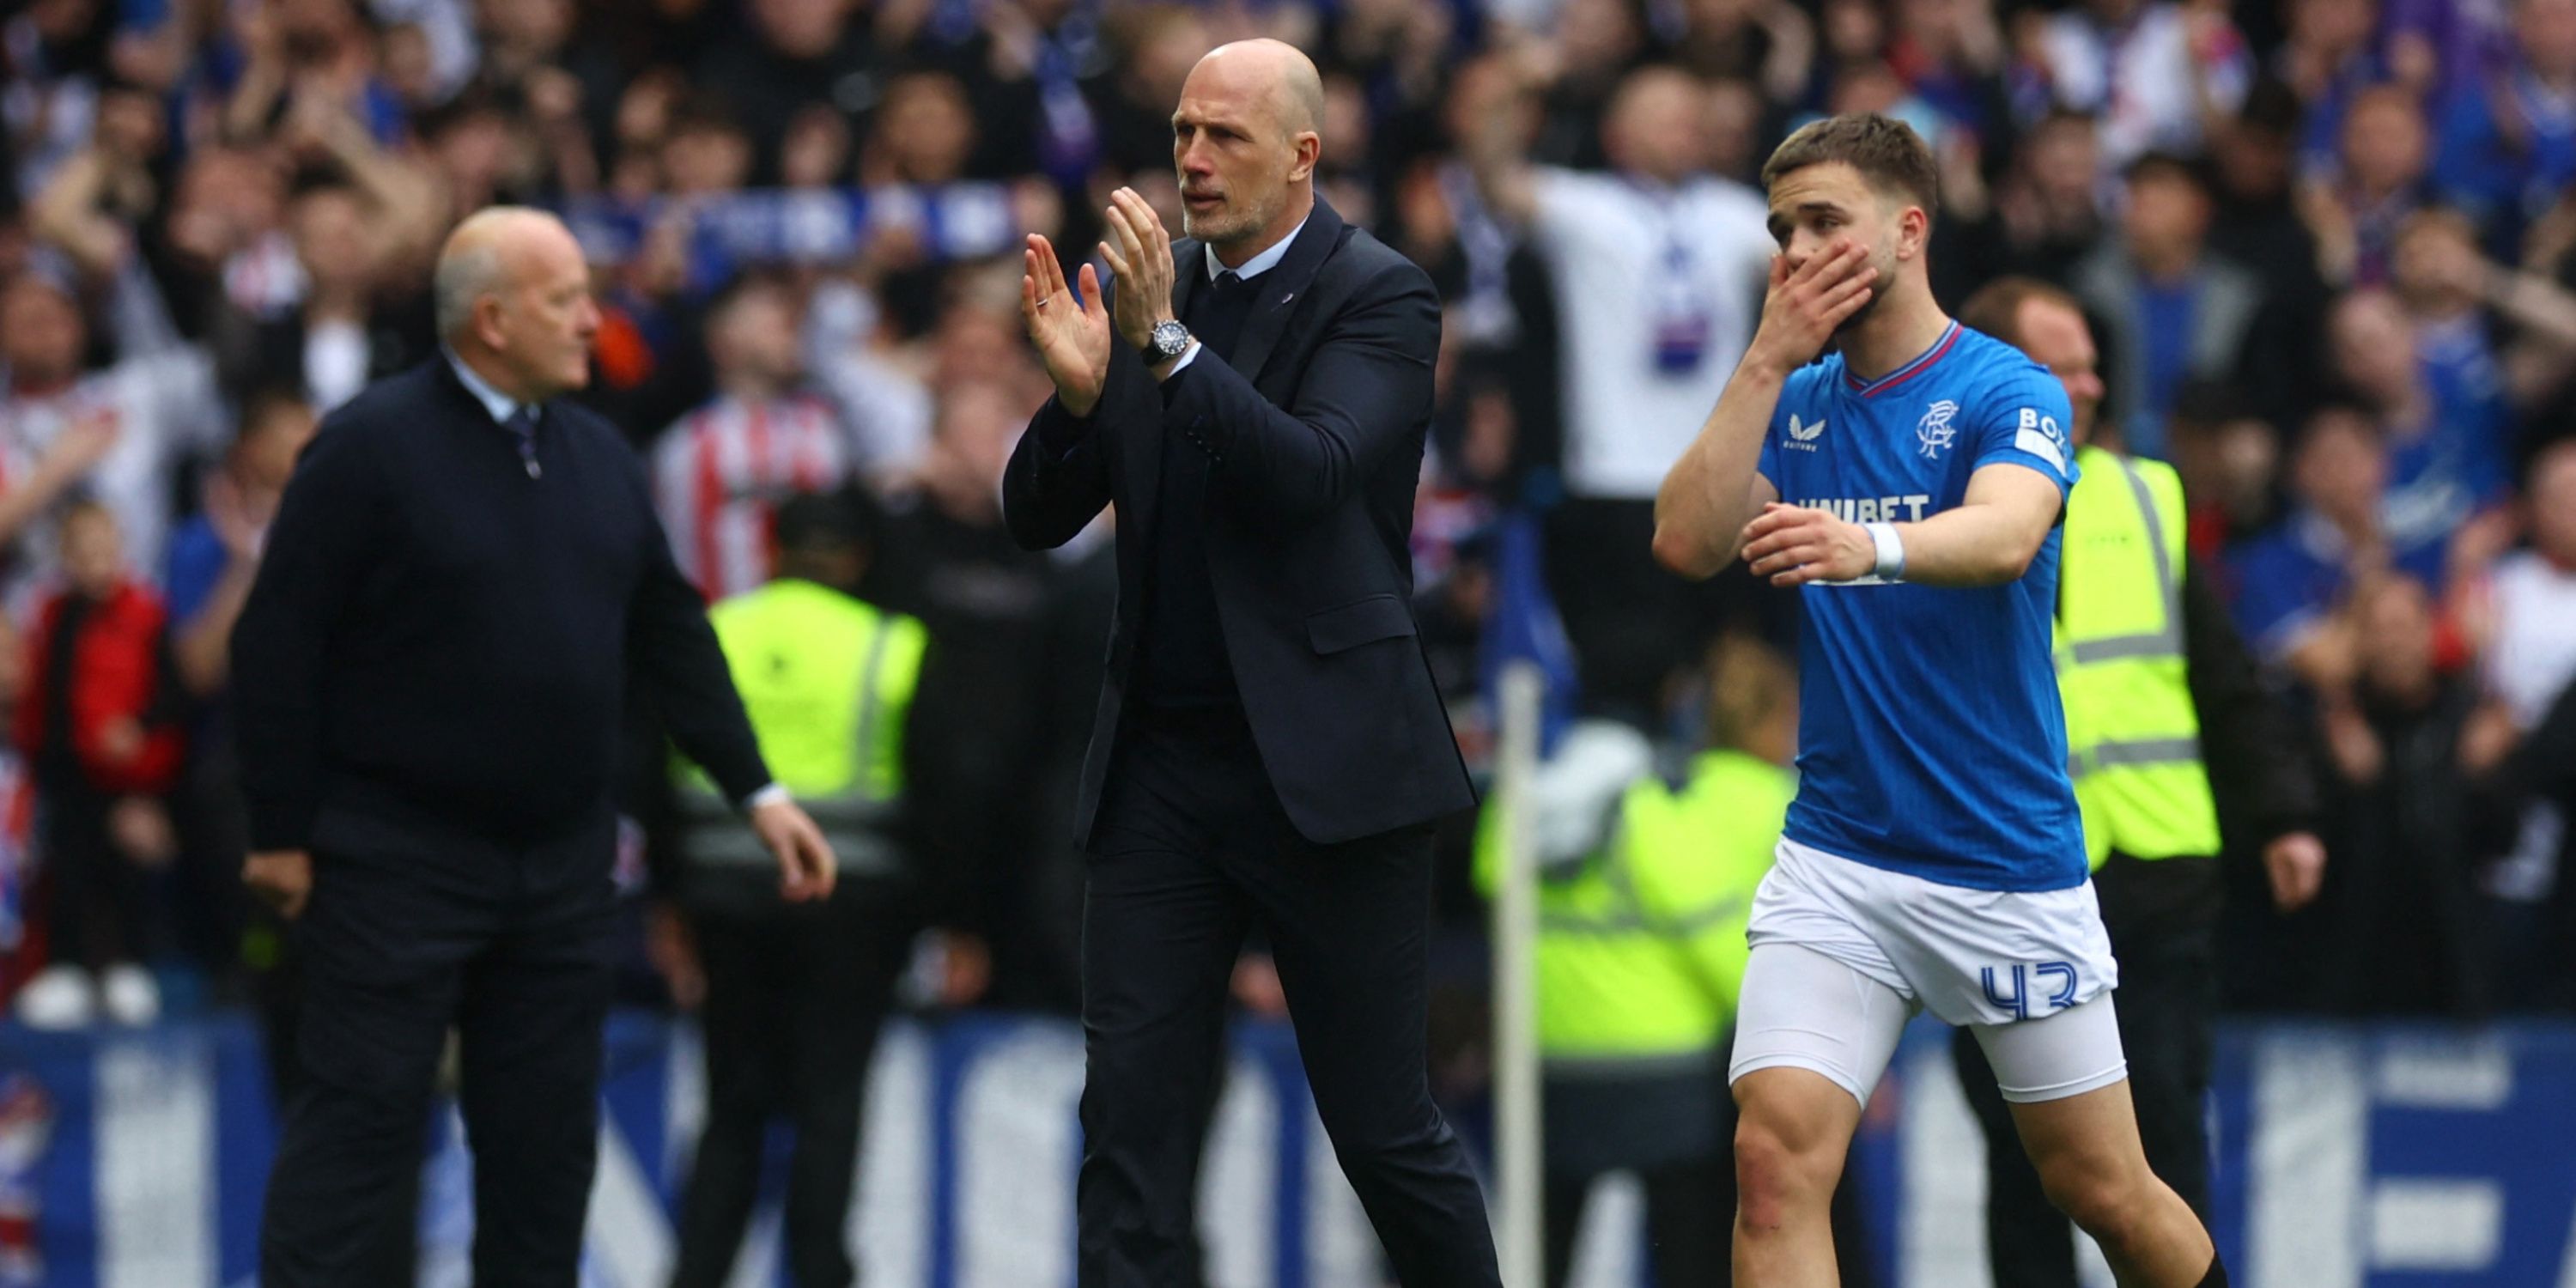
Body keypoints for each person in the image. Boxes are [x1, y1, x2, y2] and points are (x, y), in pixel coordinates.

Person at [1650, 113, 2227, 1287]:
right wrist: (1762, 360)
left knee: (2104, 1191)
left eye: (1824, 222)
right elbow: (1684, 539)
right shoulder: (1801, 398)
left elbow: (2011, 532)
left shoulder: (2004, 385)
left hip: (2001, 863)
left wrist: (1867, 550)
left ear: (1908, 231)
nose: (1798, 249)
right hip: (1840, 858)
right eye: (1782, 230)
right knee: (1773, 1164)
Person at [232, 206, 839, 1288]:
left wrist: (757, 788)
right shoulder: (370, 446)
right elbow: (277, 641)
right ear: (493, 318)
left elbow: (671, 633)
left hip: (560, 870)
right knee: (359, 1144)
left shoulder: (601, 456)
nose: (592, 321)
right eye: (566, 300)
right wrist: (279, 831)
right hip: (394, 861)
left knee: (544, 1160)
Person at [1003, 39, 1502, 1288]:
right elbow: (1035, 516)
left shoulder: (1380, 293)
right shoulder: (1147, 288)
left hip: (1330, 769)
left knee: (1384, 1133)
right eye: (1180, 132)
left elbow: (1313, 474)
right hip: (1165, 768)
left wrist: (1163, 346)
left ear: (1303, 155)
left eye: (1224, 136)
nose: (1194, 159)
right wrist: (1075, 405)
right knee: (1126, 1122)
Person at [1947, 277, 2327, 1287]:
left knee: (2165, 1145)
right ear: (2000, 376)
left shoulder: (2146, 493)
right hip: (2008, 884)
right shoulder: (1935, 510)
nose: (2092, 383)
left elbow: (2222, 671)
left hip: (2156, 880)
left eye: (2091, 363)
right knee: (2026, 1164)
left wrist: (2284, 812)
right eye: (2064, 366)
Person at [1474, 635, 1876, 1288]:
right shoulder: (1744, 802)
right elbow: (1730, 951)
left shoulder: (1551, 798)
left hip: (1547, 1060)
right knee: (1695, 1249)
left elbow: (1490, 877)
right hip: (1668, 1073)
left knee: (1539, 1255)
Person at [662, 492, 926, 1288]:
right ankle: (816, 1275)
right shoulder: (893, 644)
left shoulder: (718, 630)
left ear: (773, 550)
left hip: (724, 898)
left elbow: (653, 766)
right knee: (830, 1110)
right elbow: (946, 786)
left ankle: (698, 1274)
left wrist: (668, 900)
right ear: (857, 558)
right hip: (851, 907)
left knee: (732, 1109)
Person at [1462, 62, 1778, 718]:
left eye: (1691, 116)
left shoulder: (1738, 213)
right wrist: (1507, 94)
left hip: (1716, 481)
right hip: (1611, 479)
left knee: (1721, 673)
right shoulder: (1582, 208)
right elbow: (1493, 180)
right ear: (1617, 132)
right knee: (1623, 677)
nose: (1681, 128)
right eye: (1661, 114)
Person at [13, 501, 186, 1029]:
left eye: (103, 550)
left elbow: (171, 699)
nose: (94, 563)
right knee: (67, 872)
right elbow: (41, 698)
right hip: (68, 781)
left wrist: (142, 753)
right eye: (81, 551)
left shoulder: (147, 614)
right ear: (63, 557)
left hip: (131, 782)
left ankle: (127, 966)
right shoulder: (51, 616)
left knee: (124, 875)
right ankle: (66, 969)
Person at [650, 274, 855, 602]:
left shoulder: (824, 429)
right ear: (723, 338)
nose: (786, 320)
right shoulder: (686, 447)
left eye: (788, 314)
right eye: (768, 308)